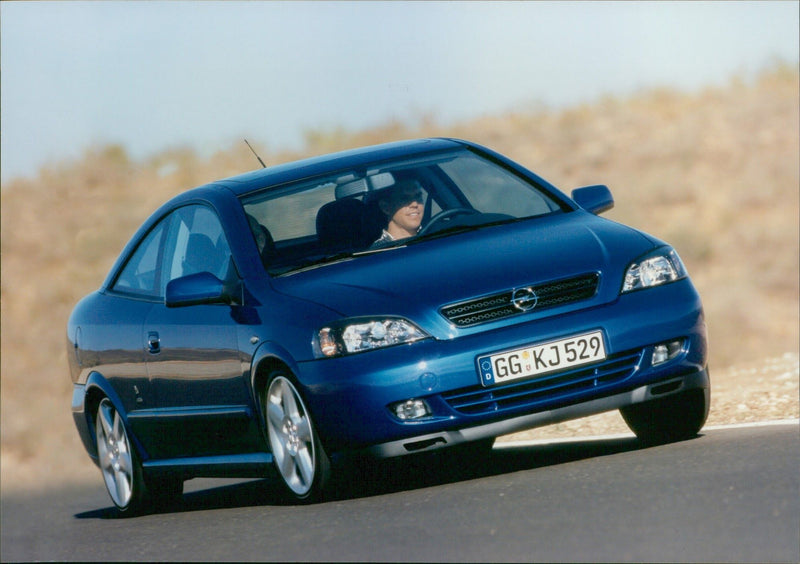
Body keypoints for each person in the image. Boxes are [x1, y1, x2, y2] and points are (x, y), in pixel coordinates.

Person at [370, 179, 425, 249]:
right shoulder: (377, 253)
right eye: (405, 198)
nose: (415, 204)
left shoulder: (436, 236)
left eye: (418, 196)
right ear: (386, 207)